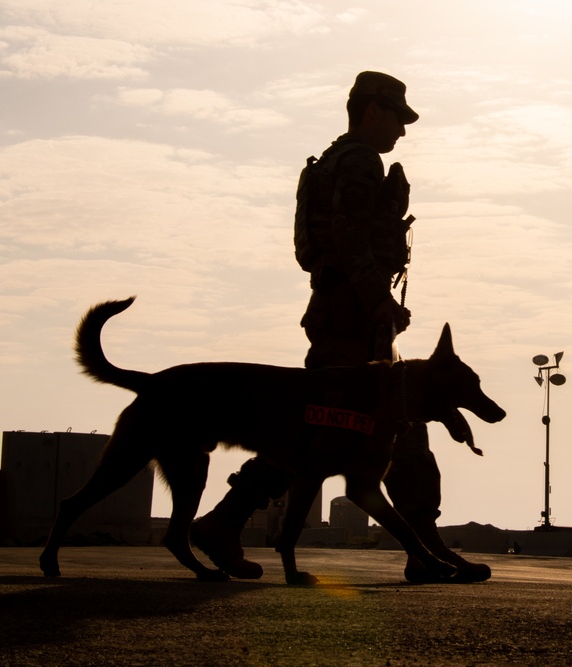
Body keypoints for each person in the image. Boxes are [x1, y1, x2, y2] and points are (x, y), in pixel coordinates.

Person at [191, 71, 491, 583]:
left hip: (342, 313)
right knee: (369, 428)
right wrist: (380, 303)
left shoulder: (333, 160)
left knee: (313, 432)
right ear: (372, 111)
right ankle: (425, 549)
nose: (402, 130)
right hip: (351, 318)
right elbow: (351, 238)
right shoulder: (358, 161)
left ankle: (226, 521)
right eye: (398, 117)